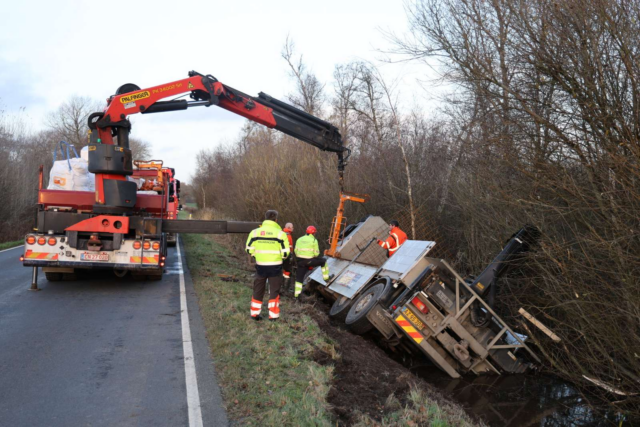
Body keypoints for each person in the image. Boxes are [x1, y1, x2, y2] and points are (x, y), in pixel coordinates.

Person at [245, 210, 290, 321]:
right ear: (276, 220)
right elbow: (285, 253)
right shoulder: (281, 234)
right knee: (274, 291)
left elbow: (249, 249)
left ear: (265, 218)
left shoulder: (255, 232)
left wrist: (258, 256)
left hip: (261, 266)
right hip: (275, 267)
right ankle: (273, 316)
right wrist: (278, 257)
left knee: (258, 289)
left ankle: (254, 314)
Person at [294, 226, 331, 298]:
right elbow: (316, 254)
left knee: (299, 279)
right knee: (323, 261)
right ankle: (326, 278)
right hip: (309, 260)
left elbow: (295, 251)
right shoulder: (314, 240)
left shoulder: (299, 239)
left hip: (300, 262)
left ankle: (296, 295)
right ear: (314, 233)